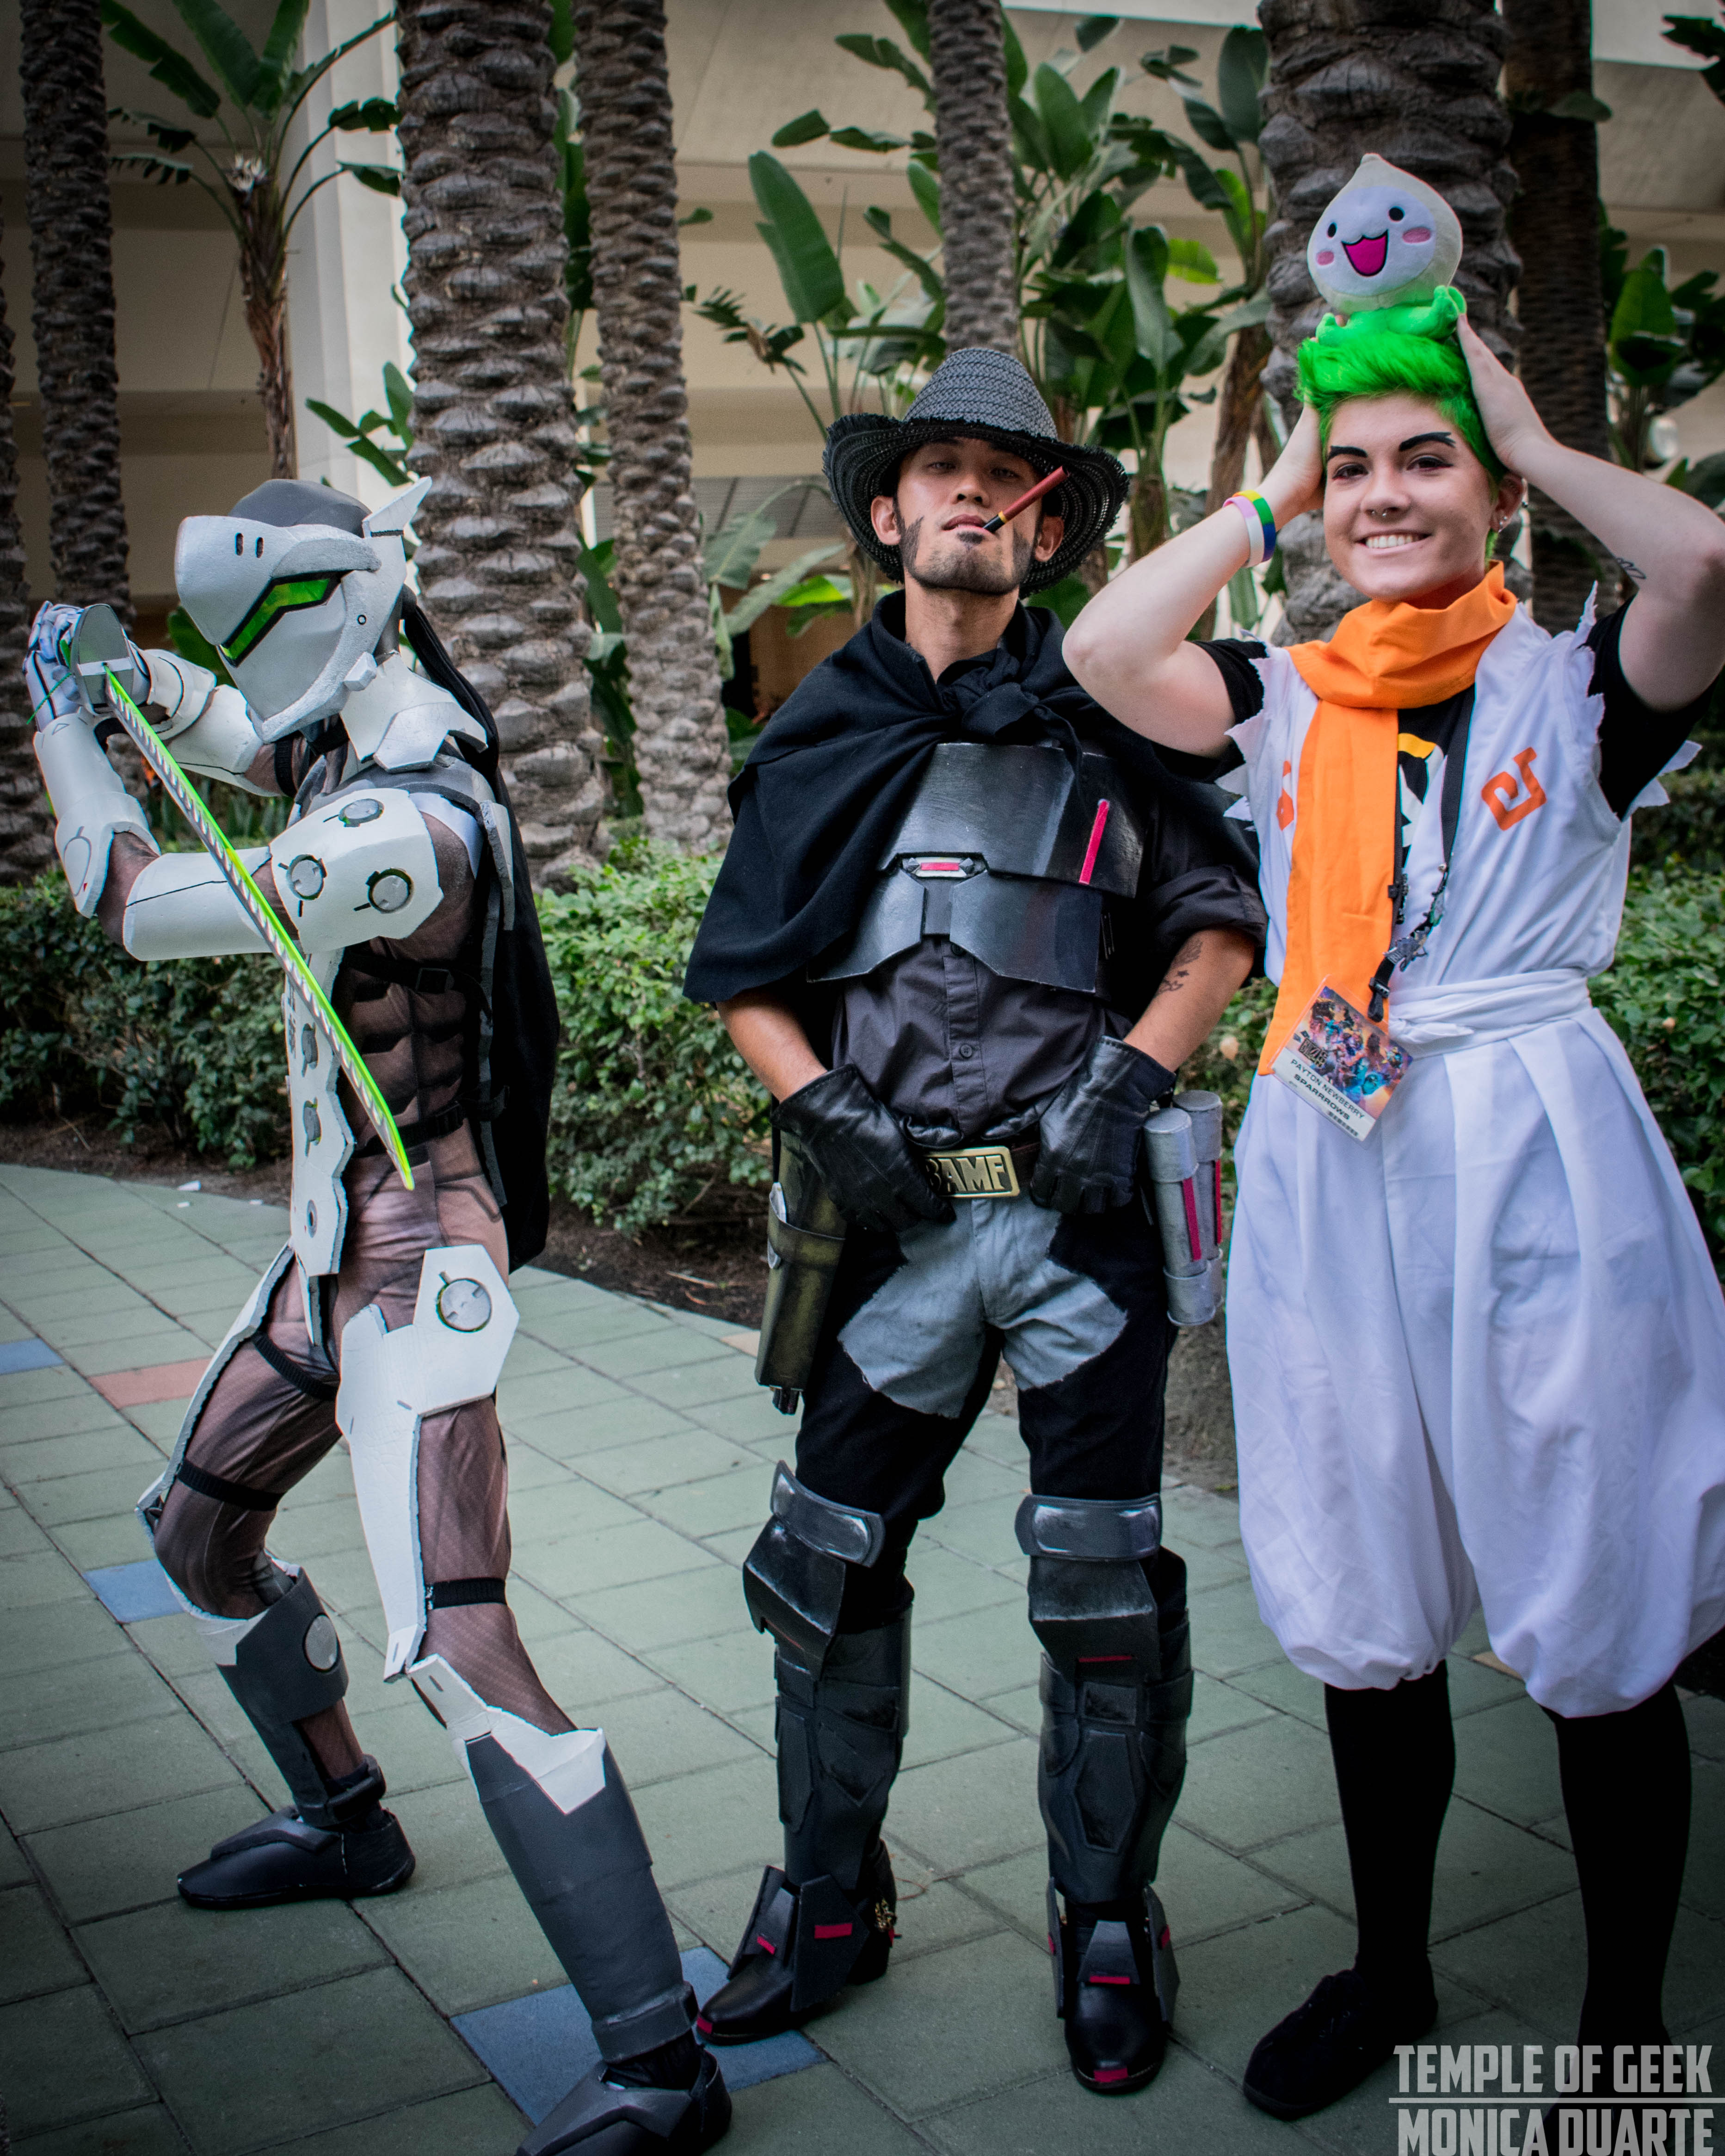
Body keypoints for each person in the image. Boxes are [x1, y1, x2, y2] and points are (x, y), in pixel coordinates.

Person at [1062, 271, 1725, 2125]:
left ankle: (1620, 2039)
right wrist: (1270, 494)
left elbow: (1704, 563)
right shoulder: (1280, 699)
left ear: (1495, 495)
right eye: (1353, 469)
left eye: (1424, 460)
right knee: (1362, 1557)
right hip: (1331, 1150)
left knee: (1593, 1574)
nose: (1384, 494)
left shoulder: (1579, 685)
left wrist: (1523, 432)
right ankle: (1390, 1970)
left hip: (1529, 1153)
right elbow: (1105, 646)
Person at [26, 479, 729, 2156]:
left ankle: (660, 2059)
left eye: (265, 618)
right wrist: (134, 676)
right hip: (326, 1247)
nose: (245, 660)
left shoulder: (413, 824)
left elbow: (133, 901)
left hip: (419, 1268)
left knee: (461, 1648)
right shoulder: (347, 745)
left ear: (346, 602)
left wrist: (61, 718)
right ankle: (347, 1817)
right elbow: (235, 730)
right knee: (195, 1534)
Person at [682, 349, 1266, 2095]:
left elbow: (1215, 928)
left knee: (1100, 1580)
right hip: (886, 1234)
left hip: (1081, 1224)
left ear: (1044, 527)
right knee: (821, 1566)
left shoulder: (1117, 714)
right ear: (887, 513)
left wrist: (1128, 1082)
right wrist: (822, 1107)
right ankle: (828, 1901)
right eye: (941, 467)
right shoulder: (820, 731)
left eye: (1007, 477)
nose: (972, 494)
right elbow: (746, 971)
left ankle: (1107, 1917)